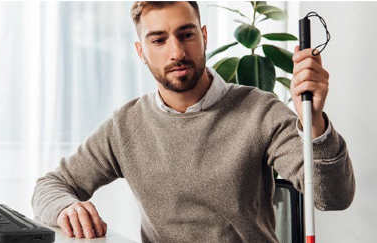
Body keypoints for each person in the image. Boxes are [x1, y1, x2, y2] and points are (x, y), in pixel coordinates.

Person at [31, 1, 355, 242]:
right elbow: (50, 186)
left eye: (185, 35)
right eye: (158, 40)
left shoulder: (260, 110)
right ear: (141, 52)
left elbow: (332, 197)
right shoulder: (126, 125)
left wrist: (312, 121)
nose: (176, 52)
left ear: (203, 37)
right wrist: (64, 207)